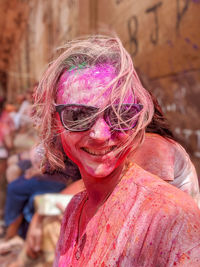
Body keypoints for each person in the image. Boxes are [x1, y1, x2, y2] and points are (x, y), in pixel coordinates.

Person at [34, 35, 200, 266]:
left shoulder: (171, 214)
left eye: (122, 115)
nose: (100, 134)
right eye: (78, 116)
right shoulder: (74, 210)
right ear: (55, 122)